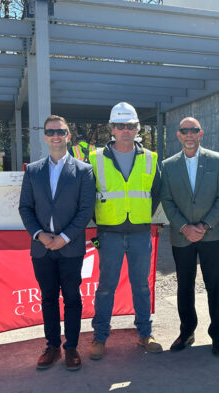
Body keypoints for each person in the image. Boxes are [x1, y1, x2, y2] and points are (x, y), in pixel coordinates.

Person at [18, 115, 96, 371]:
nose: (56, 136)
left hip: (70, 247)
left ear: (68, 135)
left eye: (60, 131)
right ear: (44, 136)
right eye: (51, 131)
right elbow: (25, 208)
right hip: (41, 249)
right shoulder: (32, 171)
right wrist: (40, 235)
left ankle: (71, 347)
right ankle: (52, 346)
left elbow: (85, 210)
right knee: (49, 299)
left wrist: (63, 238)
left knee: (72, 298)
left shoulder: (84, 171)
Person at [89, 102, 162, 360]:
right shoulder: (95, 159)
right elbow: (88, 196)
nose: (125, 130)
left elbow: (156, 193)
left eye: (130, 126)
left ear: (137, 128)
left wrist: (140, 216)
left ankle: (145, 333)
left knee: (141, 286)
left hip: (140, 232)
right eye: (120, 126)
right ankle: (100, 337)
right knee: (106, 286)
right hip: (108, 233)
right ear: (111, 128)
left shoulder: (150, 159)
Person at [160, 117, 219, 356]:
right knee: (185, 287)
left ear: (201, 134)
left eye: (194, 131)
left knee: (215, 286)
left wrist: (205, 225)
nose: (189, 135)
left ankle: (218, 336)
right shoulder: (168, 165)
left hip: (213, 235)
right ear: (178, 135)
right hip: (182, 237)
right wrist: (183, 227)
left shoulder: (217, 160)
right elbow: (167, 200)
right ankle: (187, 331)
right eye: (184, 131)